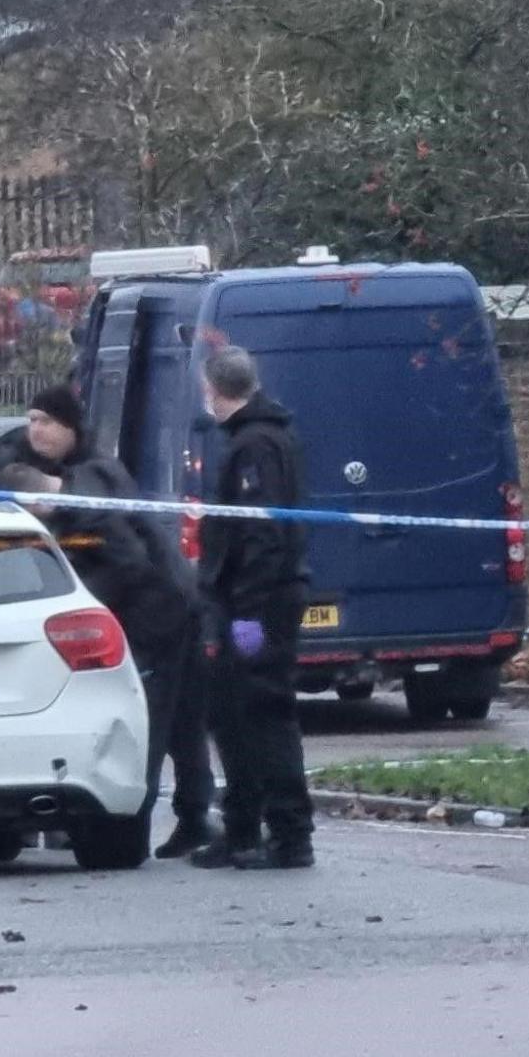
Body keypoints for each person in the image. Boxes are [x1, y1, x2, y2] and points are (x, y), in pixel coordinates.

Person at [0, 462, 206, 855]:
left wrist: (76, 598)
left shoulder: (89, 511)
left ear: (35, 500)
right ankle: (194, 818)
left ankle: (132, 831)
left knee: (150, 720)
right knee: (184, 721)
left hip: (157, 617)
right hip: (176, 604)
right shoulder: (86, 490)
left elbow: (130, 565)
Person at [189, 346, 313, 871]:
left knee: (264, 712)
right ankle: (241, 826)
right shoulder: (255, 438)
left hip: (257, 605)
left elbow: (262, 537)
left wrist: (247, 614)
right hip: (244, 600)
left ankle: (289, 834)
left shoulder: (256, 446)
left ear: (213, 390)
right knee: (231, 714)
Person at [0, 384, 91, 487]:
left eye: (46, 421)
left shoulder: (93, 468)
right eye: (33, 420)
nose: (36, 429)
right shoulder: (3, 465)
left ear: (70, 427)